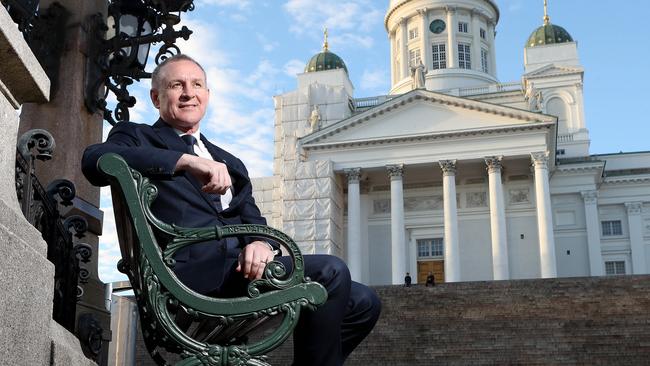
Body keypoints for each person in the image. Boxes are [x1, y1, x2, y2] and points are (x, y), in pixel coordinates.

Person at [81, 54, 380, 366]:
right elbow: (95, 159)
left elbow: (254, 221)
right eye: (176, 85)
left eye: (197, 85)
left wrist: (262, 244)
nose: (188, 92)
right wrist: (184, 162)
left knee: (363, 302)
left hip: (240, 274)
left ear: (207, 96)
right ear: (157, 97)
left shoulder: (230, 162)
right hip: (187, 278)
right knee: (331, 271)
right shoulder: (138, 136)